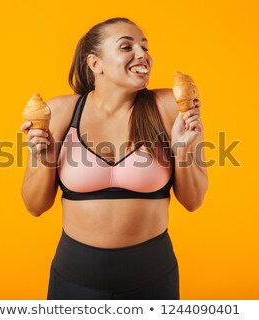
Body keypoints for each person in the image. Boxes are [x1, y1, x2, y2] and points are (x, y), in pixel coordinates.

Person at [20, 17, 208, 300]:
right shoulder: (58, 113)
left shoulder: (169, 107)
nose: (143, 55)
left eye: (145, 47)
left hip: (153, 277)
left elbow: (193, 202)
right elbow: (35, 206)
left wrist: (183, 150)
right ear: (96, 64)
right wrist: (45, 157)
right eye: (126, 46)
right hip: (74, 277)